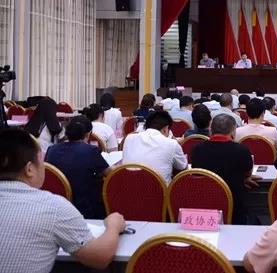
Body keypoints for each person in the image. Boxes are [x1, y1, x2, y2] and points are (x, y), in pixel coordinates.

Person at [0, 129, 125, 273]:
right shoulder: (52, 207)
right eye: (41, 162)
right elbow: (99, 258)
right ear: (29, 169)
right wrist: (113, 226)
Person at [191, 114, 256, 225]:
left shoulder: (197, 149)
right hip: (234, 209)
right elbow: (247, 173)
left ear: (211, 130)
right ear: (233, 131)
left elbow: (197, 173)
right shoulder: (242, 150)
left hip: (204, 206)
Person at [45, 116, 111, 218]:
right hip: (84, 208)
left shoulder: (51, 149)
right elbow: (109, 173)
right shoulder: (90, 151)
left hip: (56, 206)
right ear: (88, 134)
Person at [122, 111, 187, 184]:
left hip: (128, 187)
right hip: (160, 190)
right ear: (166, 129)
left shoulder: (129, 138)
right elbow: (182, 167)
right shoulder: (172, 143)